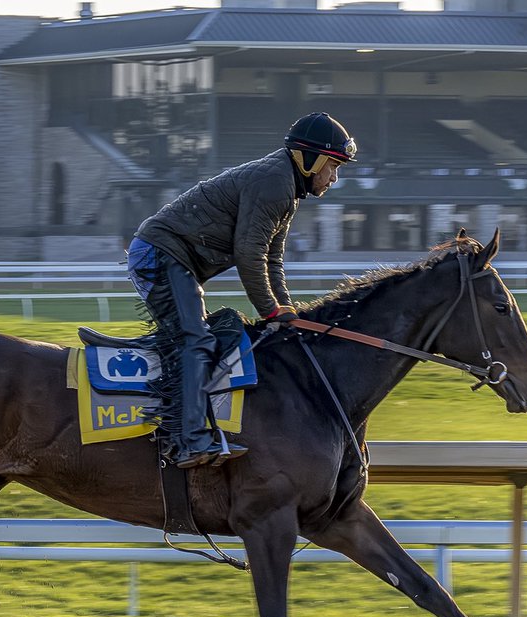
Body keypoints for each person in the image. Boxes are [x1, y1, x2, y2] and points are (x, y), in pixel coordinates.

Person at [127, 111, 356, 469]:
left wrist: (286, 310)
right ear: (310, 159)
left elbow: (272, 259)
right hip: (160, 253)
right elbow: (249, 254)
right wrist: (269, 310)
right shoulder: (275, 182)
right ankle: (187, 442)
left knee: (215, 334)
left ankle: (186, 426)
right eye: (333, 166)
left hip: (172, 257)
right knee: (194, 340)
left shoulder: (288, 188)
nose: (334, 177)